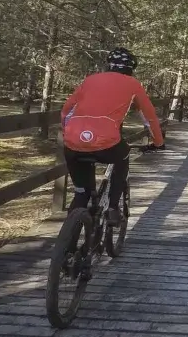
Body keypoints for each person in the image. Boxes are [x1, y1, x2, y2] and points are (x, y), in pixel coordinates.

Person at [59, 47, 165, 224]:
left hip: (73, 143)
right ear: (131, 68)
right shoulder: (132, 84)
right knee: (123, 155)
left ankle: (66, 245)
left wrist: (68, 132)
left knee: (81, 193)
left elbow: (66, 111)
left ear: (108, 65)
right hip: (107, 144)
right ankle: (113, 208)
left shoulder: (90, 80)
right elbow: (149, 117)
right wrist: (158, 142)